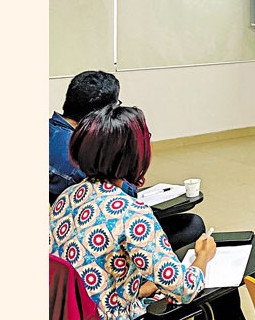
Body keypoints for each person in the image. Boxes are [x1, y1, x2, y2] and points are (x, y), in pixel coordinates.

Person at [49, 105, 252, 320]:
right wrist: (202, 258)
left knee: (176, 298)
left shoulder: (67, 199)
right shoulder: (131, 213)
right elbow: (185, 288)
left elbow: (92, 278)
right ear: (136, 156)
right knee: (208, 305)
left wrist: (140, 288)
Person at [49, 70, 203, 251]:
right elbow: (123, 196)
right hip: (101, 236)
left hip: (70, 235)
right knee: (192, 224)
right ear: (101, 114)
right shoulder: (80, 157)